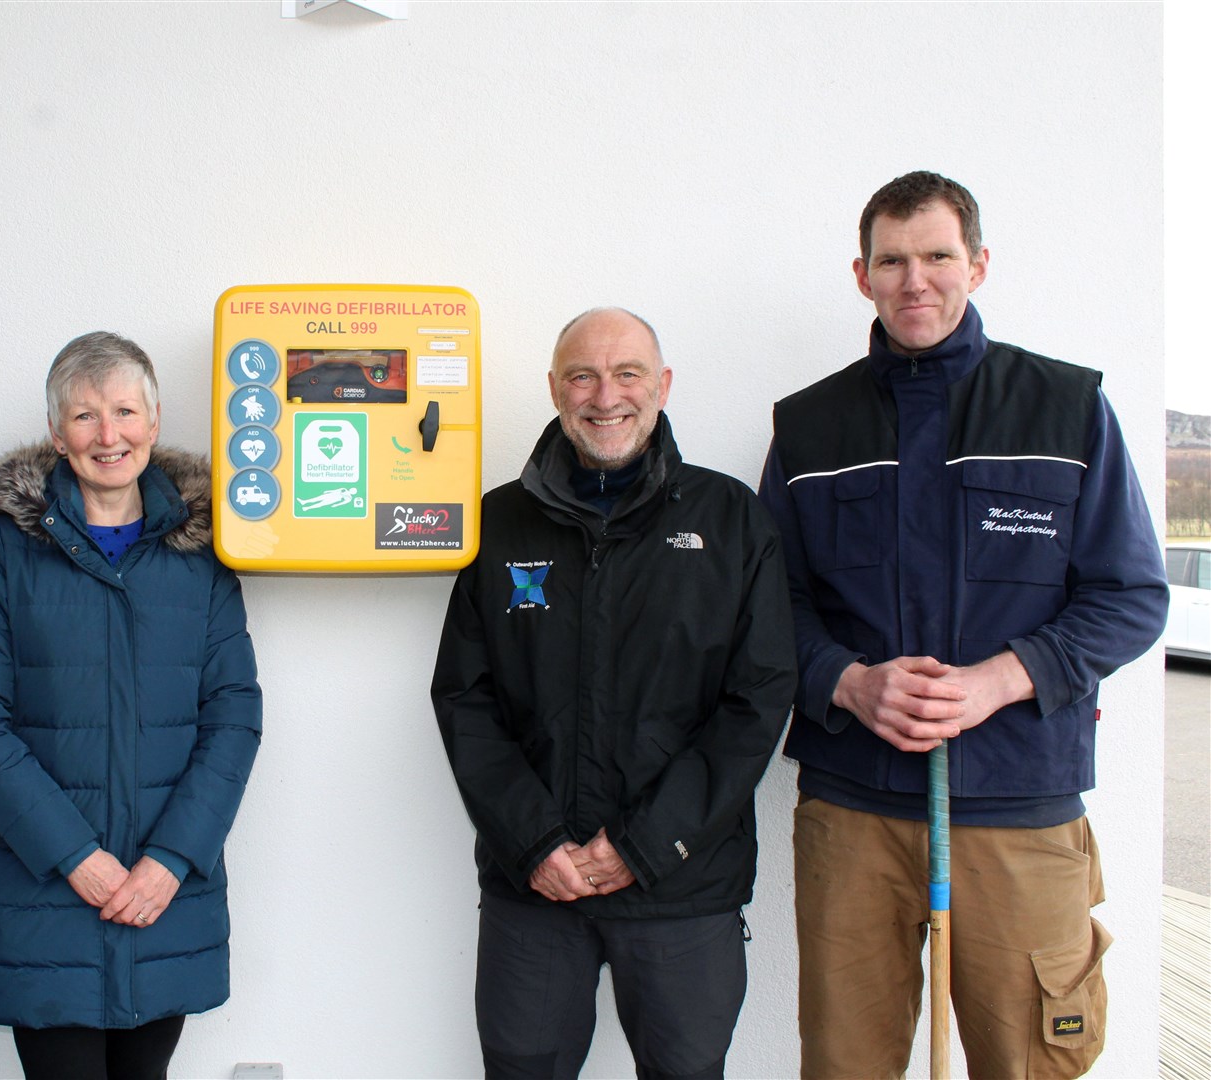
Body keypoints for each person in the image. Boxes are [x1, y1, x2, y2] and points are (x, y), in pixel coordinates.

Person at [758, 171, 1170, 1079]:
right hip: (853, 809)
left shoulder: (1065, 408)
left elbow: (1132, 596)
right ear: (861, 275)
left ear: (978, 265)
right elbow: (767, 605)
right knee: (843, 1063)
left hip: (1019, 812)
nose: (916, 281)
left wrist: (1001, 677)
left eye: (938, 256)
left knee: (1028, 1062)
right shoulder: (809, 427)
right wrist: (847, 682)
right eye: (892, 261)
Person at [432, 307, 797, 1079]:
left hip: (681, 888)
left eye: (627, 373)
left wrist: (645, 845)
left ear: (661, 386)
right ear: (555, 389)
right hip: (536, 888)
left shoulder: (731, 520)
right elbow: (466, 698)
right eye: (583, 375)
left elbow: (756, 702)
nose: (606, 395)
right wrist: (532, 842)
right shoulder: (498, 523)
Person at [0, 331, 262, 1080]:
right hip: (45, 895)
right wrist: (75, 857)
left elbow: (233, 715)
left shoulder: (202, 552)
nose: (107, 435)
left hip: (165, 897)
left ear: (153, 422)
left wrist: (171, 862)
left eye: (124, 411)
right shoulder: (1, 551)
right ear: (57, 433)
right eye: (85, 417)